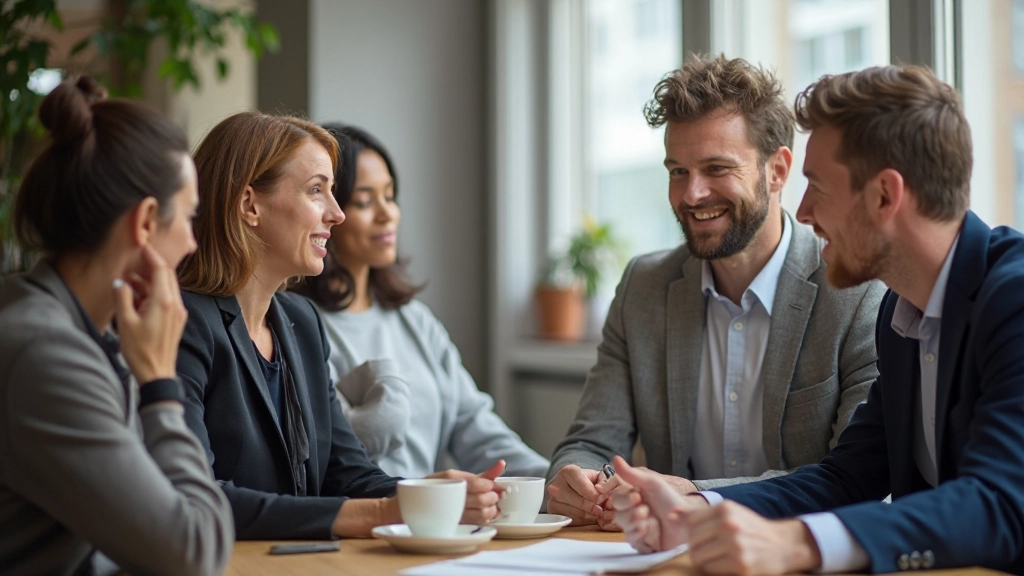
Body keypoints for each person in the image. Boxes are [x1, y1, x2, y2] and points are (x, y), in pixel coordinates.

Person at [611, 64, 1024, 575]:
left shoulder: (1014, 299)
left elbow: (1002, 505)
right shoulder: (902, 312)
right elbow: (847, 479)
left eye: (818, 187)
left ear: (884, 196)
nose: (802, 212)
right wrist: (696, 511)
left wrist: (797, 544)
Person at [546, 55, 885, 529]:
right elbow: (593, 440)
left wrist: (696, 497)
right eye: (677, 171)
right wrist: (577, 479)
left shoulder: (856, 293)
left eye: (716, 168)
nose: (691, 195)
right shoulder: (643, 288)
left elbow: (857, 482)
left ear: (778, 170)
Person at [176, 112, 504, 541]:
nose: (336, 214)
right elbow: (198, 498)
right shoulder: (183, 323)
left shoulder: (301, 323)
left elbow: (346, 473)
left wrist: (426, 493)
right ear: (249, 204)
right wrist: (384, 512)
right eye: (316, 191)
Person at [0, 76, 233, 575]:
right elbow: (194, 553)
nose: (192, 244)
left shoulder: (76, 328)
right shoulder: (47, 355)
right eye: (188, 219)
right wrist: (160, 383)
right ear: (147, 222)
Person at [292, 124, 549, 479]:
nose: (388, 214)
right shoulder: (300, 325)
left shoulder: (415, 321)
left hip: (430, 523)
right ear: (329, 210)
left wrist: (553, 480)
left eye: (390, 195)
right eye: (365, 201)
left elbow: (473, 425)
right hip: (366, 521)